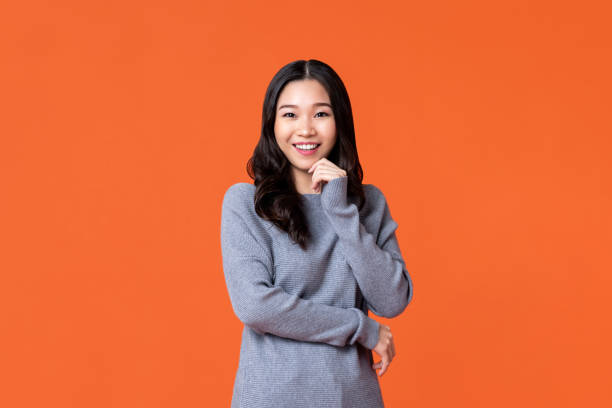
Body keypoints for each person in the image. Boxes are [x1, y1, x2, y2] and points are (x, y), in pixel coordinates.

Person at [220, 59, 413, 408]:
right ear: (272, 124)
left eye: (320, 114)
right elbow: (256, 306)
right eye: (290, 115)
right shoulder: (246, 203)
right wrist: (361, 328)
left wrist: (340, 210)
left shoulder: (367, 205)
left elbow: (392, 300)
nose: (305, 129)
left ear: (340, 121)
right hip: (272, 398)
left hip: (352, 398)